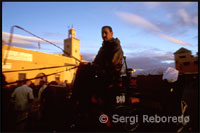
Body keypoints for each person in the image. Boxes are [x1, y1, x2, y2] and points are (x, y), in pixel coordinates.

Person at [71, 26, 124, 130]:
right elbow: (97, 62)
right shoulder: (103, 47)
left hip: (110, 75)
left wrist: (95, 67)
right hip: (100, 73)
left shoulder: (115, 46)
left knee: (83, 70)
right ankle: (79, 102)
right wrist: (90, 65)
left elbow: (112, 63)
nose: (103, 35)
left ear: (111, 34)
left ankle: (78, 102)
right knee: (82, 67)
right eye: (102, 33)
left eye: (106, 33)